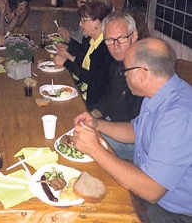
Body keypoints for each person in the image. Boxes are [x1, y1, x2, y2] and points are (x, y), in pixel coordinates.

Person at [73, 38, 192, 223]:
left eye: (125, 70)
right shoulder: (158, 94)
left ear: (142, 74)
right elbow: (135, 131)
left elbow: (152, 191)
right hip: (150, 189)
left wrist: (95, 149)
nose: (124, 75)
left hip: (173, 211)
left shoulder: (177, 116)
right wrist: (96, 124)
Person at [89, 12, 144, 160]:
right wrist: (94, 113)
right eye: (109, 40)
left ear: (134, 36)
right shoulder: (118, 63)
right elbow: (111, 95)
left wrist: (98, 125)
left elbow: (137, 132)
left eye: (122, 38)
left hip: (135, 141)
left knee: (84, 143)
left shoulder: (144, 72)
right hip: (112, 124)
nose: (116, 46)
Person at [53, 1, 113, 108]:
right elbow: (85, 63)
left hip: (92, 102)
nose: (80, 24)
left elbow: (93, 79)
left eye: (84, 20)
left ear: (97, 23)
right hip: (82, 90)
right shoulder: (92, 40)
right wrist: (69, 56)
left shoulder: (104, 48)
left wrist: (67, 63)